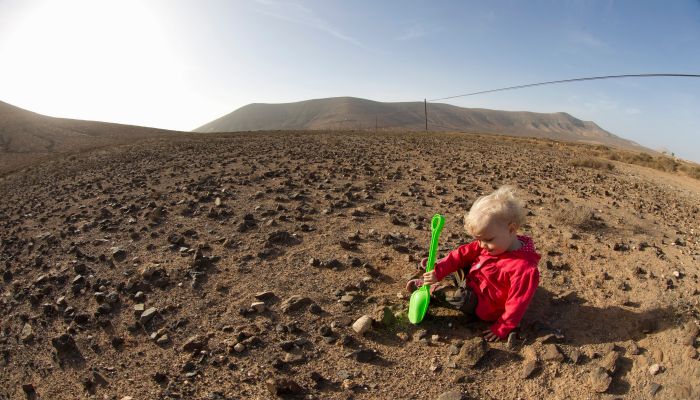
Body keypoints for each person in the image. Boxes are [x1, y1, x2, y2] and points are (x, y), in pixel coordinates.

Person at [406, 185, 541, 341]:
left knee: (459, 297)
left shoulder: (524, 269)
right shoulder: (494, 243)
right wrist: (439, 271)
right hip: (475, 276)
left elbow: (517, 304)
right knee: (461, 258)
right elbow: (461, 254)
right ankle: (437, 266)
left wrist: (502, 327)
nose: (482, 244)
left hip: (482, 304)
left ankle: (433, 290)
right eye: (479, 239)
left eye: (488, 240)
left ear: (511, 229)